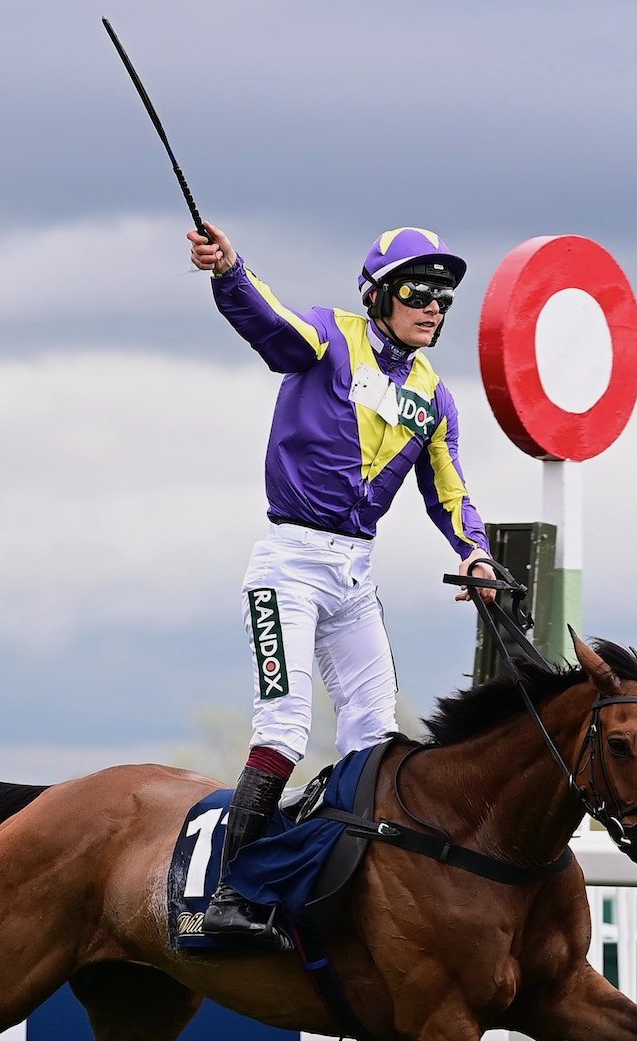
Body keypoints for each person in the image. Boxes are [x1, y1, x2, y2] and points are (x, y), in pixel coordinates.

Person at [187, 222, 497, 943]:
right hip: (287, 566)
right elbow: (270, 322)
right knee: (287, 726)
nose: (434, 308)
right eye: (419, 292)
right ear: (380, 294)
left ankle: (352, 878)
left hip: (354, 579)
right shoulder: (331, 334)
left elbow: (449, 492)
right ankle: (230, 892)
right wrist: (229, 268)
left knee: (375, 735)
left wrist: (476, 552)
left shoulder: (434, 395)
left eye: (445, 297)